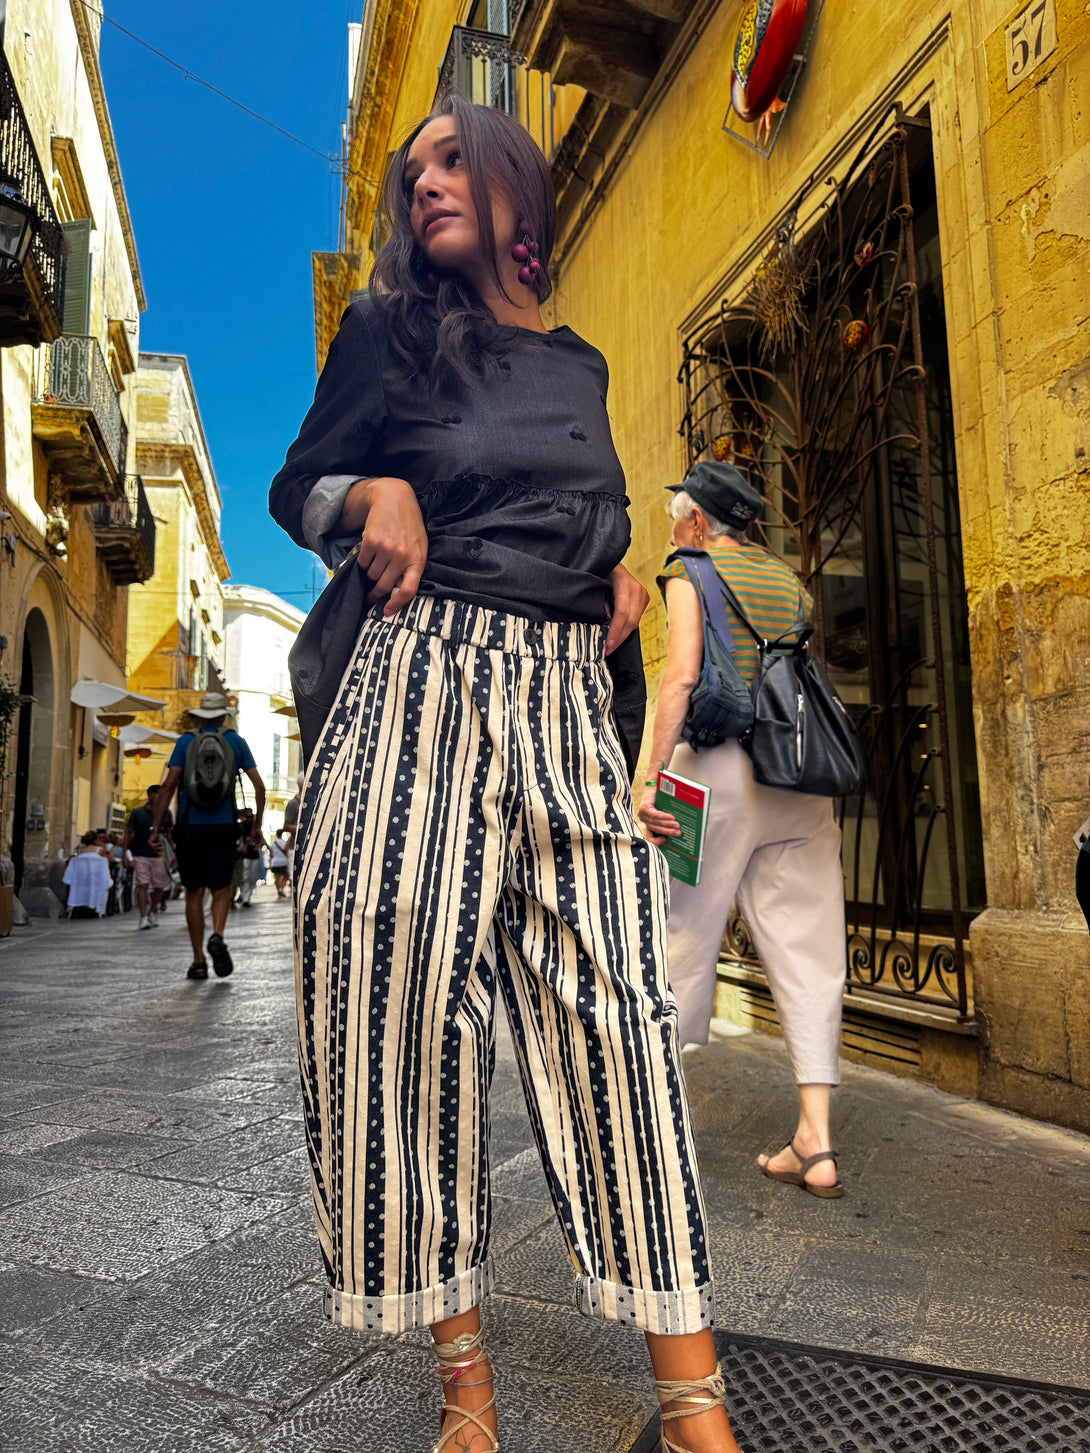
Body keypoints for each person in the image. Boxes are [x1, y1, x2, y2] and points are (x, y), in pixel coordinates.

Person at [269, 95, 745, 1453]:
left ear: (509, 181)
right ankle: (465, 1395)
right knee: (398, 1028)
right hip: (417, 689)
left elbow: (585, 499)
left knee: (620, 1029)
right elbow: (293, 486)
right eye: (406, 167)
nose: (421, 180)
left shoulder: (583, 363)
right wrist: (371, 498)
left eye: (445, 156)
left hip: (556, 709)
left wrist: (606, 559)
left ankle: (693, 1403)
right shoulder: (388, 336)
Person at [638, 460, 847, 1201]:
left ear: (697, 522)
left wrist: (648, 775)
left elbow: (682, 675)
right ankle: (815, 1142)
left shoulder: (688, 569)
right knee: (812, 943)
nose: (670, 522)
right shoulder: (786, 578)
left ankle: (651, 1128)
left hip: (714, 774)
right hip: (795, 777)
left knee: (677, 930)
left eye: (674, 511)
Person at [152, 692, 265, 982]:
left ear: (200, 716)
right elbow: (259, 787)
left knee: (194, 891)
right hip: (224, 827)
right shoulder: (236, 742)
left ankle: (199, 961)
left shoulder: (186, 742)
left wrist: (156, 828)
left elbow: (167, 786)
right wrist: (256, 827)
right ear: (224, 715)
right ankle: (217, 934)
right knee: (222, 888)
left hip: (190, 827)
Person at [122, 785, 173, 929]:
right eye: (156, 794)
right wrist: (126, 853)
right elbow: (129, 832)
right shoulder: (138, 813)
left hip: (159, 855)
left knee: (159, 886)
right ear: (150, 795)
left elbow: (169, 834)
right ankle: (143, 916)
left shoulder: (166, 813)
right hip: (140, 853)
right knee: (142, 884)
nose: (158, 797)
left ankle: (152, 910)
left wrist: (173, 854)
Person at [236, 807, 263, 907]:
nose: (250, 818)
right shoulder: (241, 827)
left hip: (254, 855)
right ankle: (245, 897)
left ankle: (247, 896)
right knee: (245, 877)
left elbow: (261, 839)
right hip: (245, 856)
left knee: (253, 877)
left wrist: (257, 845)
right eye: (248, 816)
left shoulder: (255, 827)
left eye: (251, 816)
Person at [269, 829, 291, 897]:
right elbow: (287, 851)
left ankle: (279, 890)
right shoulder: (284, 843)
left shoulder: (272, 843)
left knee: (276, 877)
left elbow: (271, 853)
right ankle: (280, 889)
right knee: (282, 876)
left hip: (274, 862)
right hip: (283, 862)